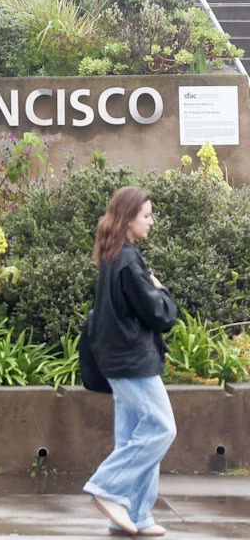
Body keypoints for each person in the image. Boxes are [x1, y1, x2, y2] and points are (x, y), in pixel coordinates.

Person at [84, 186, 178, 537]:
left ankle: (134, 516)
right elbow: (158, 314)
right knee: (161, 429)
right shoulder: (126, 260)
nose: (152, 222)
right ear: (128, 219)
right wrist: (162, 290)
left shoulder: (114, 255)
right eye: (147, 215)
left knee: (132, 436)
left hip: (119, 359)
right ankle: (106, 486)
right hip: (132, 362)